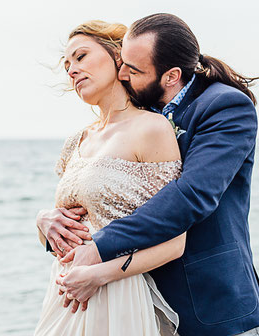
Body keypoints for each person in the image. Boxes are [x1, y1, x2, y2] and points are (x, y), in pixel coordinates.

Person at [39, 13, 259, 336]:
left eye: (132, 69)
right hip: (134, 300)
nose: (123, 72)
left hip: (209, 300)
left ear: (170, 76)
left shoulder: (225, 108)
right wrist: (45, 221)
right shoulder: (139, 110)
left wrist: (100, 248)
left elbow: (191, 196)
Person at [34, 20, 186, 335]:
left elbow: (175, 243)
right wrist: (43, 223)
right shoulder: (76, 141)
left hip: (116, 294)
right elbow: (68, 230)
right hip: (65, 292)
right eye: (67, 65)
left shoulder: (152, 129)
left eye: (81, 56)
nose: (72, 70)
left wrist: (99, 275)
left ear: (118, 57)